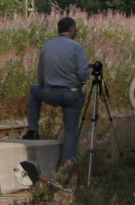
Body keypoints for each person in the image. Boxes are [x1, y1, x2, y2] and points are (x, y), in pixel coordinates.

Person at [23, 16, 90, 170]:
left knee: (34, 90)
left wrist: (46, 86)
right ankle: (66, 166)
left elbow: (40, 76)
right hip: (72, 94)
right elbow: (84, 74)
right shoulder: (77, 47)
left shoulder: (46, 46)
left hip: (50, 93)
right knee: (70, 132)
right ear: (72, 31)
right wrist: (80, 80)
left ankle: (33, 129)